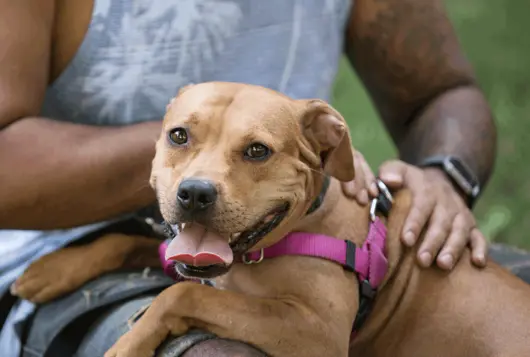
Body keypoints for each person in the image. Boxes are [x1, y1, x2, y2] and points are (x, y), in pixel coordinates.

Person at [0, 0, 506, 356]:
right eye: (177, 138)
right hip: (49, 247)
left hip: (270, 233)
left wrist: (445, 173)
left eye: (256, 150)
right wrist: (214, 149)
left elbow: (441, 90)